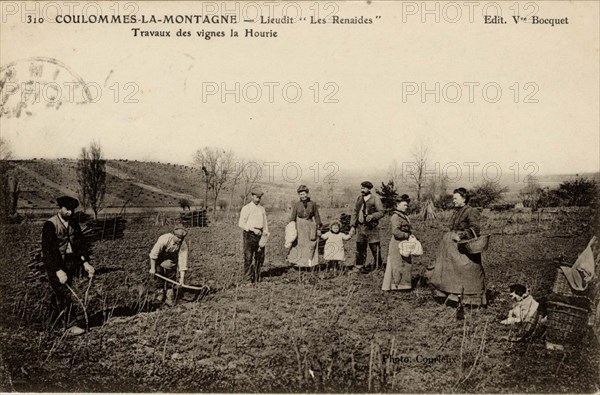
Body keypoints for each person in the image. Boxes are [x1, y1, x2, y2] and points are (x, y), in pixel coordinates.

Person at [41, 196, 94, 335]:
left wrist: (86, 262)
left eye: (72, 210)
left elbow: (80, 245)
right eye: (67, 209)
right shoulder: (50, 225)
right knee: (64, 294)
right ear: (60, 208)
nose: (70, 212)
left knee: (61, 293)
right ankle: (70, 326)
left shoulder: (74, 223)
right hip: (55, 265)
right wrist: (58, 270)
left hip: (70, 263)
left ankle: (52, 321)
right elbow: (48, 251)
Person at [426, 187, 486, 306]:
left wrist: (462, 235)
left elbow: (475, 228)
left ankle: (470, 298)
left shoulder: (471, 211)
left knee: (466, 269)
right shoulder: (457, 211)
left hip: (463, 246)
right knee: (448, 270)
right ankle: (450, 292)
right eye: (453, 198)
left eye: (455, 198)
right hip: (451, 247)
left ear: (464, 199)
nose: (453, 200)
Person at [350, 181, 385, 273]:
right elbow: (355, 212)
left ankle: (379, 267)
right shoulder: (359, 198)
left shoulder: (375, 198)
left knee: (375, 248)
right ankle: (359, 267)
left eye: (364, 188)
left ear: (369, 189)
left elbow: (381, 212)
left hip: (372, 228)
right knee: (360, 248)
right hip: (361, 228)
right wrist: (353, 226)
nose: (362, 190)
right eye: (361, 188)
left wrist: (372, 216)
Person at [149, 227, 189, 306]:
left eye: (182, 238)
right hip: (159, 261)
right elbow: (154, 254)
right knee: (159, 279)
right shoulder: (164, 239)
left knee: (171, 281)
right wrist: (153, 268)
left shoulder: (183, 245)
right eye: (178, 238)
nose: (180, 240)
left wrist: (182, 279)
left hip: (171, 262)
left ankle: (169, 298)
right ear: (173, 235)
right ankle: (159, 297)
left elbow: (183, 261)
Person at [382, 194, 413, 291]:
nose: (406, 207)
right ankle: (395, 285)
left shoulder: (404, 216)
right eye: (404, 205)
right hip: (397, 243)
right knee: (397, 263)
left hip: (404, 242)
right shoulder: (395, 216)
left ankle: (404, 285)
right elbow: (395, 232)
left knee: (405, 263)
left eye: (407, 205)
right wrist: (406, 235)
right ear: (397, 205)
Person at [238, 187, 269, 283]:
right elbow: (241, 223)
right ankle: (247, 279)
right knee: (248, 257)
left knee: (260, 257)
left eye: (259, 197)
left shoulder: (262, 209)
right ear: (252, 196)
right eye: (256, 197)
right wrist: (253, 229)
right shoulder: (246, 208)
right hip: (249, 235)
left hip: (260, 235)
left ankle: (257, 276)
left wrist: (265, 233)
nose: (258, 199)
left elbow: (265, 223)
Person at [287, 185, 322, 268]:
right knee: (299, 244)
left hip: (309, 226)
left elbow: (317, 216)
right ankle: (298, 263)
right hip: (299, 227)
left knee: (310, 245)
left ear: (307, 193)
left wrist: (318, 227)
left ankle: (309, 263)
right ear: (299, 195)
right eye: (301, 194)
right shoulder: (297, 204)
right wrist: (291, 228)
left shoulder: (313, 204)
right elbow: (293, 217)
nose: (303, 196)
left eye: (304, 194)